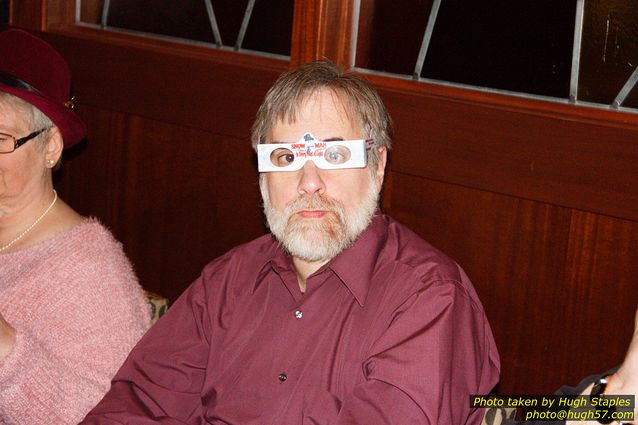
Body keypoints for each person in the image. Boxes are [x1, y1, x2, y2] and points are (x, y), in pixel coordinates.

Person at [82, 60, 500, 424]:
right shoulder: (227, 281)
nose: (310, 183)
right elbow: (134, 406)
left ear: (377, 166)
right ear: (263, 174)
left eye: (334, 156)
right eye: (286, 158)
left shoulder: (430, 298)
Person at [0, 29, 151, 423]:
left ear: (50, 147)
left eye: (0, 138)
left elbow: (112, 416)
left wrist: (6, 349)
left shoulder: (90, 271)